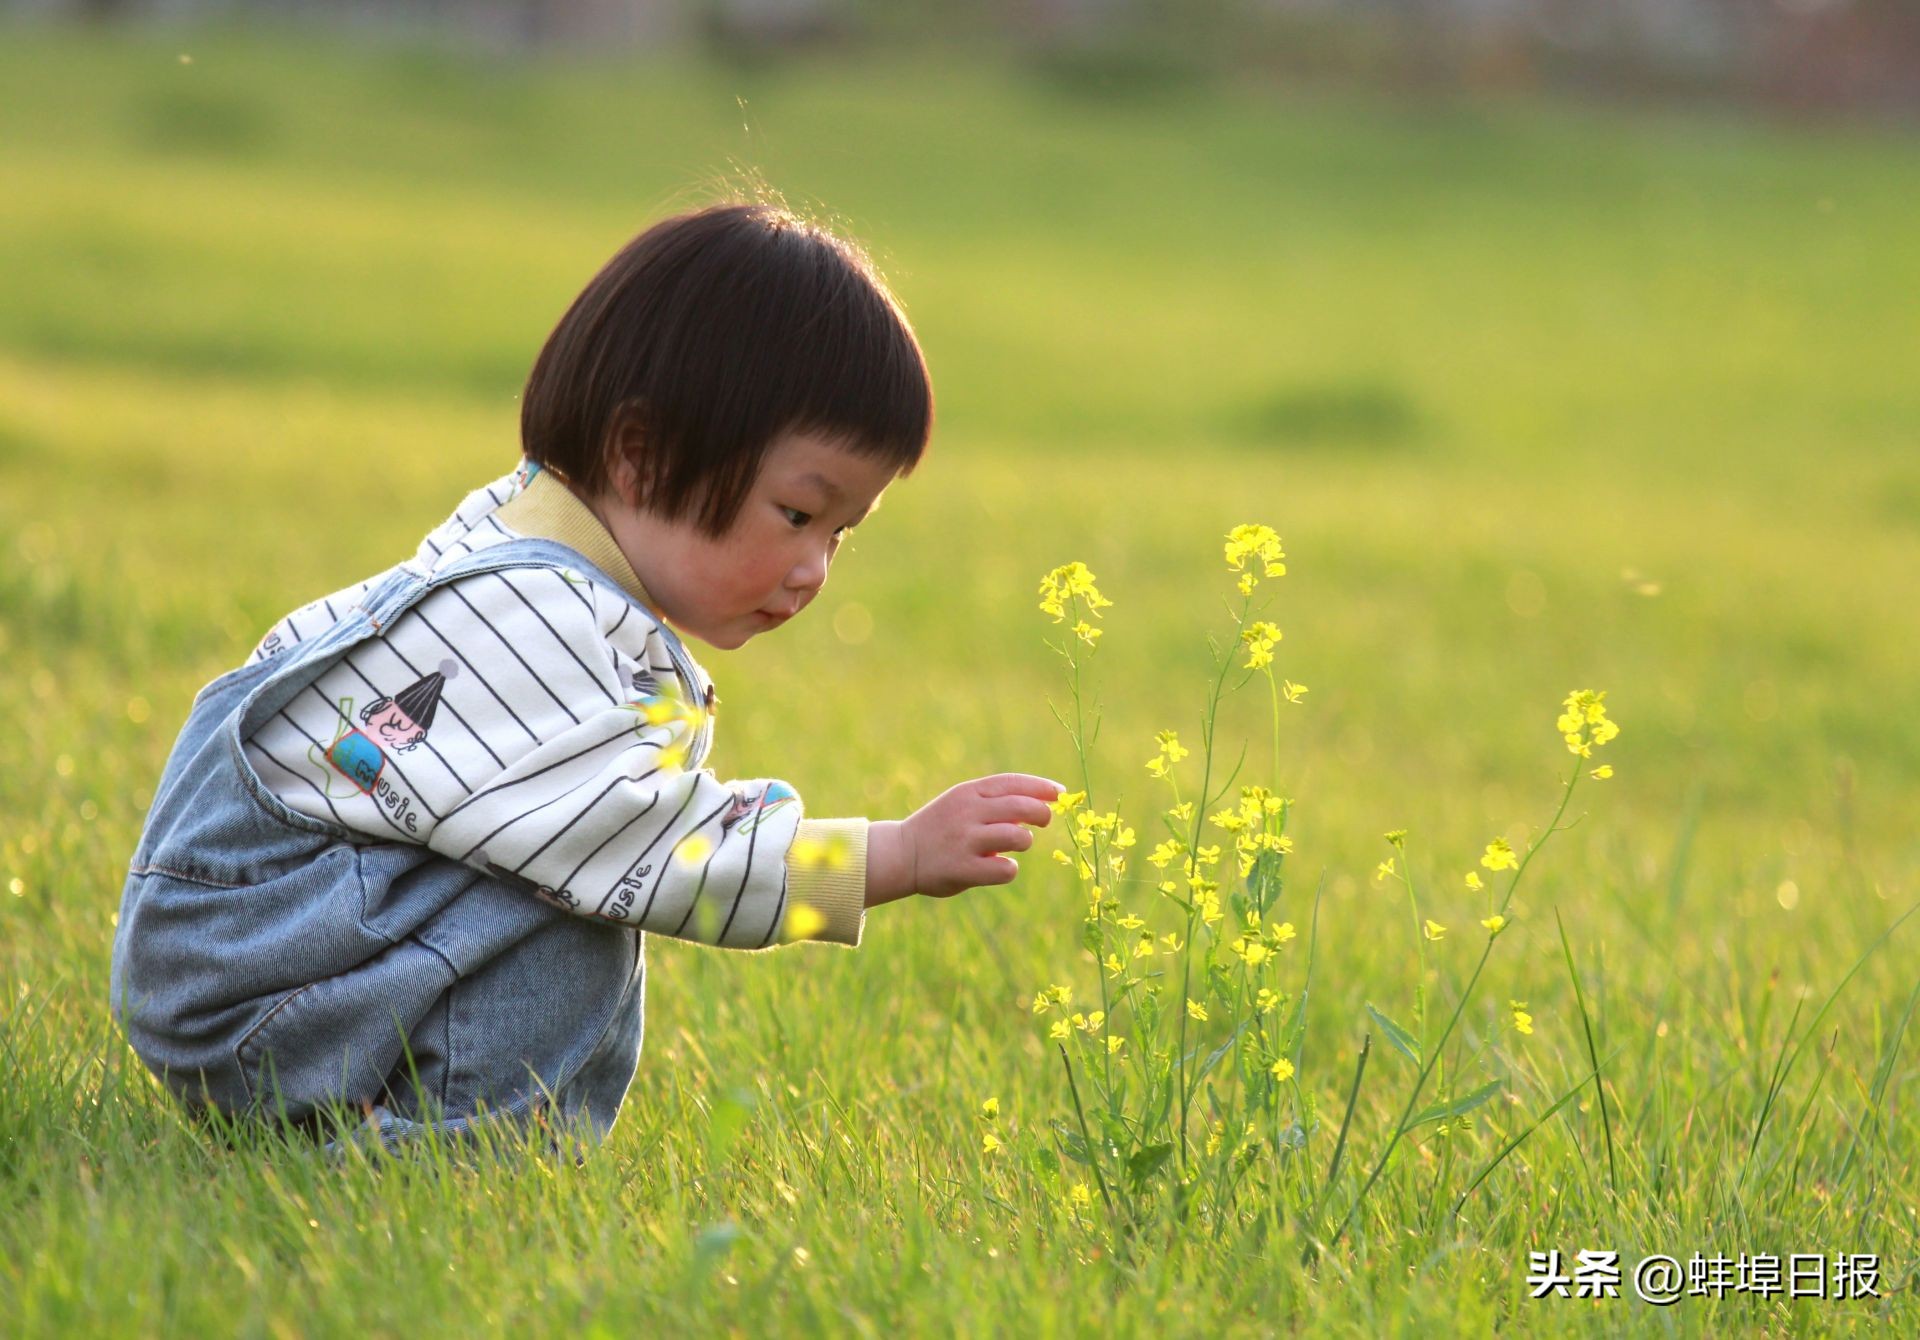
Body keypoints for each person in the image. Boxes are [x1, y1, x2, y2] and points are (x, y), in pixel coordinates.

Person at [109, 201, 1062, 1153]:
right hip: (257, 982)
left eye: (843, 533)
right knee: (579, 909)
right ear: (639, 458)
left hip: (257, 959)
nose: (816, 569)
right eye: (798, 513)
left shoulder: (521, 540)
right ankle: (455, 1159)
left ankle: (366, 1119)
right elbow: (658, 854)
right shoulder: (539, 620)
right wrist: (886, 858)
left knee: (561, 878)